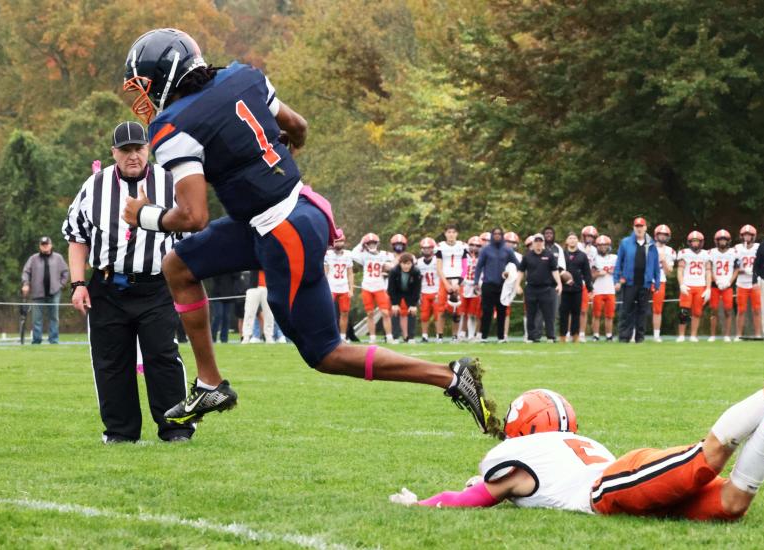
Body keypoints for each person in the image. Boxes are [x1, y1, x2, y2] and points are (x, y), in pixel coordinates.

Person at [120, 28, 497, 436]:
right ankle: (210, 384)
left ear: (165, 75)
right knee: (179, 265)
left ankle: (449, 375)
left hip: (283, 231)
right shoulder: (243, 77)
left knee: (325, 353)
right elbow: (298, 126)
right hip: (287, 213)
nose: (144, 95)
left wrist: (144, 215)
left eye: (144, 84)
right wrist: (273, 154)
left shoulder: (174, 126)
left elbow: (193, 216)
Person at [390, 354, 764, 523]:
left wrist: (421, 504)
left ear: (523, 426)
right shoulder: (574, 444)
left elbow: (471, 499)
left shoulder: (515, 459)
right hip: (618, 478)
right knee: (732, 505)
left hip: (611, 485)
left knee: (710, 456)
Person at [63, 120, 192, 444]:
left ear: (147, 149)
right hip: (107, 287)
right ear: (113, 153)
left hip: (156, 285)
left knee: (163, 356)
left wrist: (183, 280)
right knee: (110, 361)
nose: (133, 156)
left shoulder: (168, 183)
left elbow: (188, 236)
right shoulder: (95, 186)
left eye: (138, 148)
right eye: (126, 150)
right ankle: (120, 433)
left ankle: (175, 428)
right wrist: (78, 284)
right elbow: (77, 237)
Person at [613, 217, 661, 343]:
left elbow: (656, 264)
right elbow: (619, 263)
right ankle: (624, 337)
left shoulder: (651, 244)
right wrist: (616, 280)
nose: (639, 229)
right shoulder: (625, 243)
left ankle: (640, 338)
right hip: (629, 283)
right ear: (634, 228)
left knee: (642, 311)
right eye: (637, 226)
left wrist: (657, 282)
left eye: (641, 226)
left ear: (645, 228)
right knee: (626, 310)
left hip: (645, 283)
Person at [474, 228, 520, 342]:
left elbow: (518, 265)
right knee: (486, 312)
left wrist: (512, 276)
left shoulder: (507, 250)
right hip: (488, 284)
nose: (497, 236)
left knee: (502, 312)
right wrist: (476, 282)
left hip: (503, 286)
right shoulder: (486, 250)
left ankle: (501, 337)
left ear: (503, 235)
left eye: (499, 234)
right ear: (492, 235)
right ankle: (484, 336)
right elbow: (479, 266)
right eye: (495, 234)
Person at [21, 236, 69, 344]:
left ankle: (53, 339)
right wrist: (26, 283)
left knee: (54, 318)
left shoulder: (58, 258)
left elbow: (65, 272)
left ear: (51, 245)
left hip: (54, 292)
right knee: (36, 319)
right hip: (38, 293)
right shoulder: (33, 258)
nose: (45, 246)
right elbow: (26, 272)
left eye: (47, 244)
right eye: (43, 245)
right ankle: (37, 340)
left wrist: (61, 284)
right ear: (40, 246)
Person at [516, 235, 561, 342]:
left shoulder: (549, 256)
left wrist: (559, 284)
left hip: (546, 288)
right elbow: (521, 271)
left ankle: (550, 336)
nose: (538, 243)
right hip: (531, 288)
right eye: (536, 241)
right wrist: (517, 285)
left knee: (548, 314)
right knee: (531, 313)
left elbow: (554, 271)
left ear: (543, 243)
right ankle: (531, 337)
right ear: (533, 243)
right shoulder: (527, 256)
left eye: (540, 241)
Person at [354, 233, 396, 344]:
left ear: (377, 243)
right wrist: (360, 242)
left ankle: (389, 336)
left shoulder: (384, 254)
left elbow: (396, 260)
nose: (372, 245)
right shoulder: (363, 255)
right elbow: (353, 255)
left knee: (385, 313)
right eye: (369, 243)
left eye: (373, 243)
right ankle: (372, 337)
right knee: (370, 314)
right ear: (365, 244)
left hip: (379, 287)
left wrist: (389, 265)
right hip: (367, 286)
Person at [676, 231, 711, 343]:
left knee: (697, 312)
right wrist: (681, 284)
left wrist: (708, 288)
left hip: (700, 285)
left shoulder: (706, 254)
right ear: (689, 242)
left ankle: (693, 335)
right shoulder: (684, 253)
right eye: (693, 242)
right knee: (683, 312)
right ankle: (681, 335)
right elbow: (680, 270)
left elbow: (708, 272)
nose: (695, 244)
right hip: (688, 285)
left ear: (701, 242)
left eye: (697, 242)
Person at [559, 233, 593, 343]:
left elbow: (587, 273)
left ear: (577, 241)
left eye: (574, 238)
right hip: (564, 289)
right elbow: (556, 270)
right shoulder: (562, 255)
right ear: (567, 241)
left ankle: (575, 335)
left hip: (577, 288)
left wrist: (590, 288)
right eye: (570, 238)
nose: (572, 240)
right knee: (563, 313)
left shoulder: (582, 255)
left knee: (576, 313)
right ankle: (563, 336)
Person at [436, 224, 468, 342]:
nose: (451, 234)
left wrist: (458, 283)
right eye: (449, 232)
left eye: (453, 232)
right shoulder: (440, 247)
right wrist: (446, 284)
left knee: (457, 310)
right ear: (445, 234)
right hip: (445, 280)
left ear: (457, 234)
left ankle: (455, 336)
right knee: (441, 309)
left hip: (458, 280)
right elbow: (439, 268)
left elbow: (465, 268)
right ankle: (439, 336)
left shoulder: (462, 246)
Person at [707, 230, 738, 342]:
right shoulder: (711, 252)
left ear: (728, 241)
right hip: (715, 285)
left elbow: (736, 269)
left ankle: (727, 335)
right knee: (713, 310)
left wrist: (730, 282)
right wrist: (716, 281)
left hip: (727, 285)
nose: (722, 242)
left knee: (728, 310)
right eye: (720, 240)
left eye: (724, 240)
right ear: (716, 241)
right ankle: (713, 335)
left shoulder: (733, 252)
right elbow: (709, 269)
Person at [323, 237, 354, 342]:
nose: (338, 243)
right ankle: (328, 335)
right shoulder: (328, 254)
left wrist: (351, 289)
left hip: (344, 287)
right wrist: (324, 288)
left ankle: (343, 336)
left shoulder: (348, 254)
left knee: (344, 312)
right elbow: (325, 272)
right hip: (331, 287)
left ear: (344, 242)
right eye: (336, 241)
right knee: (327, 313)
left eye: (340, 241)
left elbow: (350, 273)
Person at [734, 225, 762, 339]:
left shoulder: (759, 247)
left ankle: (758, 334)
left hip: (755, 283)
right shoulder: (737, 248)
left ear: (753, 236)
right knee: (741, 310)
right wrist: (743, 270)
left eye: (749, 235)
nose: (747, 237)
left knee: (757, 310)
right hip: (742, 283)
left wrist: (756, 270)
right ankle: (738, 335)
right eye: (745, 235)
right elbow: (734, 268)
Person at [387, 253, 421, 343]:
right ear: (400, 263)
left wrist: (413, 304)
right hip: (397, 293)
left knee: (412, 312)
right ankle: (395, 337)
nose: (406, 266)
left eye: (408, 264)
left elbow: (417, 289)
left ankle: (411, 338)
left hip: (410, 293)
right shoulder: (394, 271)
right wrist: (394, 303)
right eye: (404, 264)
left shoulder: (416, 272)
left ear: (412, 264)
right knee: (395, 312)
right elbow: (391, 288)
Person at [590, 235, 617, 341]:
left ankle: (609, 335)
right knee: (596, 314)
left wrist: (613, 272)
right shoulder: (594, 258)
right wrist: (598, 274)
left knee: (609, 315)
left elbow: (620, 271)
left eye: (605, 245)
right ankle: (596, 335)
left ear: (609, 246)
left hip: (610, 289)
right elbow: (591, 275)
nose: (602, 248)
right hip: (598, 289)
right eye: (600, 245)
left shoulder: (615, 258)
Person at [652, 225, 676, 342]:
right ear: (656, 235)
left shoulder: (670, 251)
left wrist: (663, 260)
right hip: (647, 280)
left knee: (657, 309)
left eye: (665, 235)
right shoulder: (648, 247)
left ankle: (656, 335)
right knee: (639, 307)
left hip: (660, 280)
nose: (662, 236)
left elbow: (669, 271)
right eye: (661, 234)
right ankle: (635, 334)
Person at [416, 237, 443, 343]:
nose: (426, 250)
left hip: (436, 291)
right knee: (424, 315)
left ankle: (438, 336)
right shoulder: (418, 262)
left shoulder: (438, 261)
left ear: (433, 248)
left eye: (429, 248)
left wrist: (440, 292)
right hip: (424, 292)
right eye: (424, 248)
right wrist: (418, 294)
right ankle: (424, 336)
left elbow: (442, 276)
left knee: (438, 315)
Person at [458, 235, 483, 341]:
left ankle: (473, 335)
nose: (474, 247)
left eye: (477, 245)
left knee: (474, 313)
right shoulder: (463, 257)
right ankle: (462, 333)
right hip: (465, 285)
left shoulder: (483, 258)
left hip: (476, 286)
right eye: (472, 245)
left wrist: (480, 283)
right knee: (463, 312)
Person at [241, 270, 274, 343]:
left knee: (269, 313)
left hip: (267, 287)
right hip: (253, 287)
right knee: (249, 312)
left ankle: (269, 336)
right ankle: (246, 336)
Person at [578, 226, 599, 342]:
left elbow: (593, 268)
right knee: (572, 309)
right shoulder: (578, 246)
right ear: (583, 236)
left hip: (585, 281)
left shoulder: (594, 250)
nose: (589, 238)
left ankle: (582, 333)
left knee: (584, 309)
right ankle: (569, 332)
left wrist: (590, 281)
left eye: (592, 236)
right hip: (575, 280)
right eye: (588, 236)